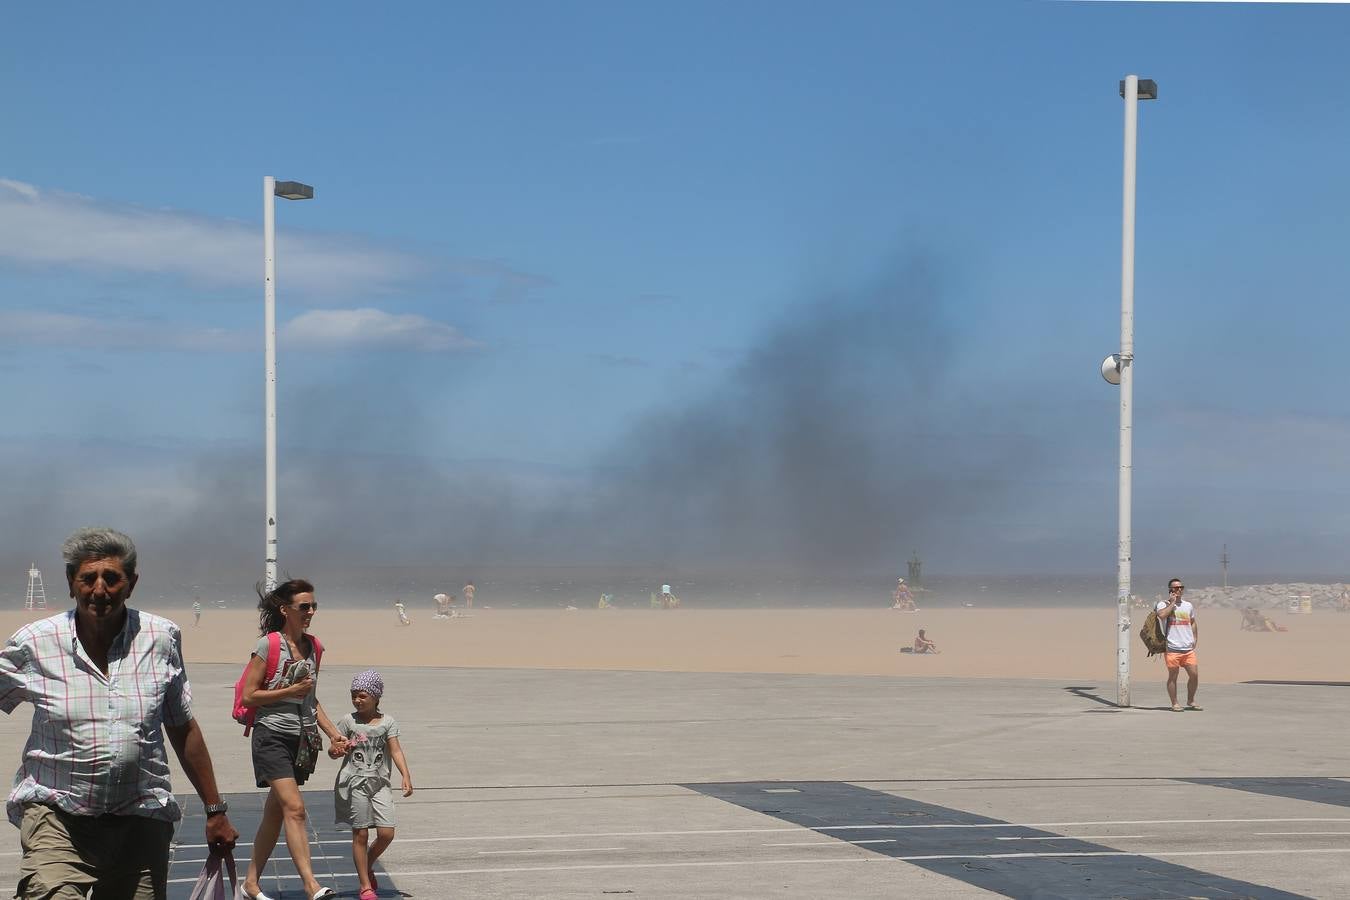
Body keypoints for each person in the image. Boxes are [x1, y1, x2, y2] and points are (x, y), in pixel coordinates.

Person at [0, 527, 238, 899]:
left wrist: (215, 809)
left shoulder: (161, 638)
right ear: (70, 582)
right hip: (58, 818)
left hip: (139, 819)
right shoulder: (34, 643)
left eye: (111, 578)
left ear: (131, 583)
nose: (99, 589)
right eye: (88, 578)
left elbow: (182, 727)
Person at [239, 579, 347, 900]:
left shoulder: (314, 647)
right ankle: (311, 885)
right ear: (285, 609)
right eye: (304, 607)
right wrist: (290, 690)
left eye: (314, 606)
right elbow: (249, 695)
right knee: (295, 809)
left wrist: (333, 733)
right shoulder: (268, 646)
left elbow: (310, 699)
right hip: (270, 735)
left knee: (276, 814)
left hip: (300, 740)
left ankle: (250, 884)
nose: (310, 612)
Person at [331, 670, 413, 900]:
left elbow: (395, 750)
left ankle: (367, 863)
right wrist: (336, 750)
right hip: (354, 783)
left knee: (387, 832)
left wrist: (405, 775)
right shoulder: (348, 721)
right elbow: (333, 748)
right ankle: (365, 885)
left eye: (363, 695)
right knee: (361, 833)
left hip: (379, 784)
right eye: (354, 695)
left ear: (376, 697)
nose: (357, 700)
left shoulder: (388, 722)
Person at [1156, 578, 1201, 711]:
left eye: (1181, 587)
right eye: (1176, 588)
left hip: (1187, 648)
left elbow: (1192, 621)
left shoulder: (1188, 605)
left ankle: (1191, 700)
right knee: (1173, 676)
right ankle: (1174, 703)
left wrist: (1195, 638)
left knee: (1194, 675)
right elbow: (1162, 616)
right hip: (1172, 648)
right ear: (1170, 589)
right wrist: (1172, 603)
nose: (1179, 590)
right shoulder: (1162, 604)